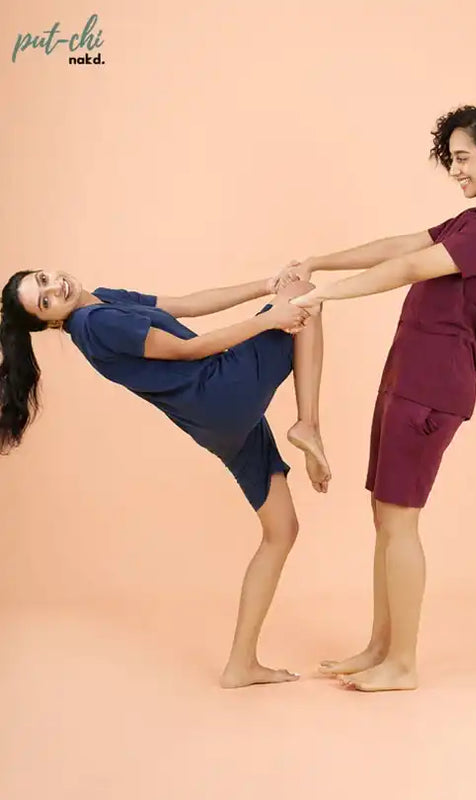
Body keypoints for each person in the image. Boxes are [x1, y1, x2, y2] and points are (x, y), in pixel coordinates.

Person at [284, 104, 476, 691]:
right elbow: (398, 243)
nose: (456, 170)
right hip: (407, 377)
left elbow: (409, 266)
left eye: (465, 158)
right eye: (451, 160)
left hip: (433, 387)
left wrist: (324, 295)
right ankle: (379, 647)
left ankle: (403, 664)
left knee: (400, 521)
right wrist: (318, 260)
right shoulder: (473, 221)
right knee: (385, 517)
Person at [0, 268, 329, 688]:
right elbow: (185, 350)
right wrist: (269, 317)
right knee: (305, 294)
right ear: (49, 322)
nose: (54, 288)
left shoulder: (100, 299)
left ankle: (241, 664)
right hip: (220, 390)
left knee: (281, 530)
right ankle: (308, 424)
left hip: (214, 421)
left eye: (44, 279)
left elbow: (185, 304)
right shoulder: (95, 323)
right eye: (45, 301)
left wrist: (265, 287)